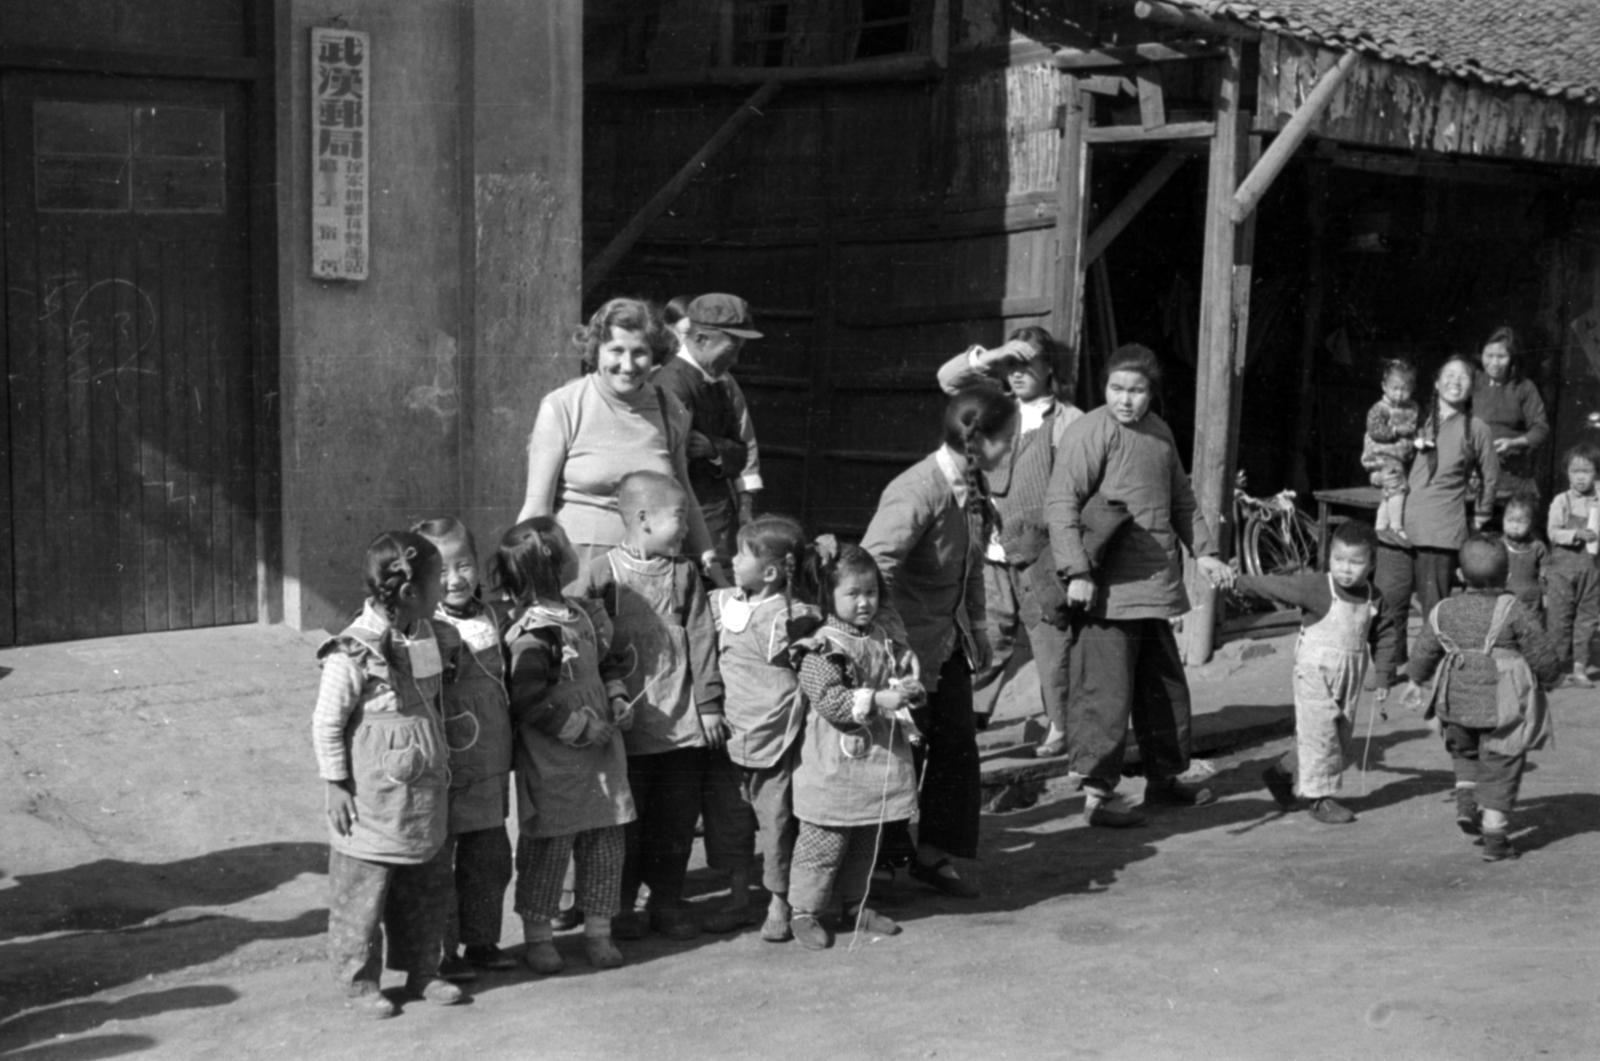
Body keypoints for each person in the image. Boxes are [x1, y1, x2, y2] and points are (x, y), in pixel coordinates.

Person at [1043, 343, 1233, 828]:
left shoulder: (1160, 434)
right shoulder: (1089, 432)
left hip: (1155, 586)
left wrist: (1206, 553)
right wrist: (1078, 572)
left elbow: (1182, 501)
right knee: (1103, 696)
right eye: (1116, 388)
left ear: (1152, 393)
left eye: (1137, 390)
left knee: (1164, 690)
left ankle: (1164, 782)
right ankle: (1096, 798)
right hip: (1105, 590)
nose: (1125, 400)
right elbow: (1061, 504)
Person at [862, 388, 1017, 898]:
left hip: (947, 641)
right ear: (984, 442)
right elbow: (873, 565)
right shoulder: (917, 490)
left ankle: (933, 855)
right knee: (896, 752)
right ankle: (877, 864)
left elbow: (969, 566)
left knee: (956, 748)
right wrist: (893, 641)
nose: (1013, 445)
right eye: (1009, 437)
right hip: (900, 646)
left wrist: (978, 630)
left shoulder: (972, 487)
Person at [311, 531, 464, 1018]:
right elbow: (327, 723)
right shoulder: (350, 653)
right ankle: (359, 982)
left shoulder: (425, 633)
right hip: (371, 803)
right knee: (363, 896)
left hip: (421, 798)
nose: (445, 588)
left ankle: (423, 971)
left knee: (427, 888)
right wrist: (335, 785)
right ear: (408, 593)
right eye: (438, 580)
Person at [580, 471, 725, 940]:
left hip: (682, 726)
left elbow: (703, 639)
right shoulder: (604, 574)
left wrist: (709, 705)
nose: (686, 529)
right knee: (627, 823)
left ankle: (667, 902)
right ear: (643, 519)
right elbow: (575, 628)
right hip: (629, 728)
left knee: (676, 822)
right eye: (679, 518)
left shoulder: (684, 573)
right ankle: (619, 907)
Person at [496, 517, 636, 973]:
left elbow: (608, 662)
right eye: (568, 545)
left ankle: (598, 933)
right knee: (549, 850)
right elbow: (527, 700)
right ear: (553, 564)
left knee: (604, 844)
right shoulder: (533, 633)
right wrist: (578, 726)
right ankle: (539, 938)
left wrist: (616, 699)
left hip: (602, 756)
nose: (577, 551)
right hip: (557, 759)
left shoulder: (582, 613)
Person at [933, 327, 1083, 752]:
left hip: (1041, 551)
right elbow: (948, 379)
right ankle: (971, 717)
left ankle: (1060, 724)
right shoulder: (995, 408)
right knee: (988, 633)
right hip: (991, 547)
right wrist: (994, 355)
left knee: (1049, 636)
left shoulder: (1069, 420)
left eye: (1028, 364)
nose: (1017, 373)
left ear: (1050, 368)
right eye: (1011, 366)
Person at [517, 297, 719, 578]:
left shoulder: (669, 408)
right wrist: (525, 579)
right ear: (595, 350)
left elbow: (684, 494)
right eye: (616, 350)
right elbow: (537, 507)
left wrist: (711, 563)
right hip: (578, 567)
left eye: (639, 352)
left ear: (655, 354)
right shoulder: (562, 407)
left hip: (653, 568)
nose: (628, 365)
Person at [789, 541, 923, 950]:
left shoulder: (882, 638)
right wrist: (878, 700)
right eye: (852, 594)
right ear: (829, 596)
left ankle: (855, 903)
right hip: (836, 760)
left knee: (866, 837)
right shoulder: (822, 647)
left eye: (871, 593)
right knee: (824, 842)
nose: (864, 602)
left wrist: (906, 687)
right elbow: (828, 700)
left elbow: (892, 678)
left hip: (874, 759)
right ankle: (804, 911)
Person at [1400, 535, 1563, 861]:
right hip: (1502, 706)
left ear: (1460, 575)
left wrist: (1416, 678)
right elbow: (1539, 649)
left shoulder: (1444, 609)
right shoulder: (1512, 609)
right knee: (1503, 764)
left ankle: (1465, 800)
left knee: (1464, 751)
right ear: (1506, 578)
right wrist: (1551, 676)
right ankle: (1495, 838)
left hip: (1455, 702)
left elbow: (1425, 648)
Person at [703, 515, 822, 943]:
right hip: (730, 735)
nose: (731, 559)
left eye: (741, 554)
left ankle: (779, 901)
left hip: (775, 737)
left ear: (771, 572)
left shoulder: (791, 617)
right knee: (729, 821)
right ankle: (737, 897)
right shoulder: (727, 604)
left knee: (776, 821)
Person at [1232, 520, 1397, 824]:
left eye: (1356, 562)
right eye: (1339, 560)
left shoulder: (1375, 598)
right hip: (1314, 673)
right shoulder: (1318, 587)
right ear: (1329, 558)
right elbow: (1276, 585)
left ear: (1372, 563)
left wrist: (1385, 675)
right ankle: (1320, 800)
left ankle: (1281, 772)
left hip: (1349, 677)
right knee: (1320, 734)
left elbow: (1386, 636)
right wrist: (1237, 581)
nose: (1346, 569)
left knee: (1337, 737)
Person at [411, 518, 516, 981]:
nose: (455, 579)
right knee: (441, 859)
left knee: (490, 858)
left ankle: (482, 941)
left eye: (465, 565)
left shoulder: (495, 616)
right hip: (446, 765)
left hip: (491, 761)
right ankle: (441, 949)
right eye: (442, 570)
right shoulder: (421, 628)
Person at [1372, 356, 1499, 689]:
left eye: (1464, 377)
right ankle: (1387, 671)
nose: (1456, 381)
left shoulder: (1477, 428)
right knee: (1387, 602)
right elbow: (1384, 452)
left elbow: (1491, 476)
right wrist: (1379, 476)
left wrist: (1481, 518)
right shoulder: (1413, 418)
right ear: (1435, 382)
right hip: (1397, 527)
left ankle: (1425, 673)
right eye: (1449, 375)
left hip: (1442, 532)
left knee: (1435, 610)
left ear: (1473, 386)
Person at [651, 293, 765, 558]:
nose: (735, 361)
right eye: (730, 350)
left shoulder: (720, 382)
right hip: (693, 522)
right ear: (701, 339)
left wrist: (713, 448)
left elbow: (741, 451)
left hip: (715, 516)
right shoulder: (671, 384)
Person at [1473, 326, 1550, 513]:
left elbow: (1540, 429)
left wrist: (1513, 443)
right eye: (1488, 355)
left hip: (1511, 477)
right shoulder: (1473, 381)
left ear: (1513, 358)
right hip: (1473, 474)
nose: (1494, 362)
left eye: (1501, 357)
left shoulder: (1524, 387)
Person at [1544, 442, 1600, 687]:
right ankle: (1556, 668)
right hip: (1563, 572)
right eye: (1575, 471)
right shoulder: (1562, 501)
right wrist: (1576, 534)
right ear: (1567, 473)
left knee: (1587, 618)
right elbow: (1553, 532)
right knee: (1559, 619)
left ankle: (1580, 667)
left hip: (1592, 570)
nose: (1580, 477)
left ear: (1596, 473)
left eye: (1586, 471)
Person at [1361, 358, 1422, 545]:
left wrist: (1419, 440)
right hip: (1382, 454)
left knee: (1390, 491)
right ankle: (1396, 526)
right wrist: (1396, 431)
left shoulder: (1413, 408)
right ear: (1384, 386)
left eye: (1405, 389)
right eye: (1395, 388)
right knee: (1397, 486)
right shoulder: (1380, 409)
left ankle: (1380, 526)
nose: (1399, 394)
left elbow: (1416, 429)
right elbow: (1375, 430)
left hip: (1399, 457)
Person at [1499, 492, 1548, 627]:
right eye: (1510, 520)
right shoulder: (1499, 546)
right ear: (1503, 519)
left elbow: (1545, 574)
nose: (1514, 526)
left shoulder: (1538, 547)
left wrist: (1545, 595)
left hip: (1531, 601)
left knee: (1533, 632)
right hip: (1504, 597)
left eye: (1521, 522)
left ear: (1532, 523)